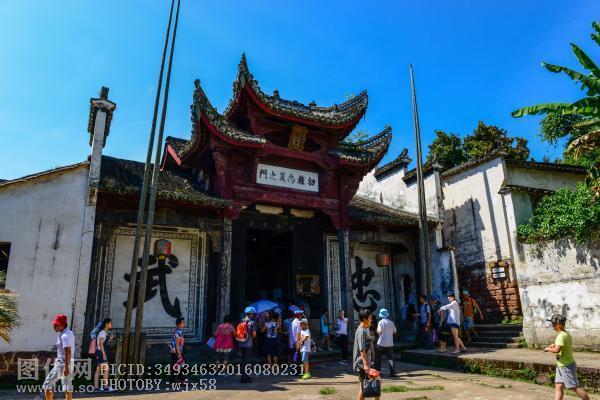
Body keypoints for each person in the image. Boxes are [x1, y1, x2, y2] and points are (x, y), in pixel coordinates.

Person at [544, 315, 590, 400]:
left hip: (566, 365)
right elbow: (562, 344)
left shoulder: (561, 336)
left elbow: (557, 350)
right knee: (558, 386)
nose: (552, 325)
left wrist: (548, 349)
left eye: (553, 324)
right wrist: (554, 344)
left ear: (558, 325)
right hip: (561, 364)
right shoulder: (565, 333)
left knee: (574, 387)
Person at [42, 314, 75, 400]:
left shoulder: (64, 336)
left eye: (56, 325)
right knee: (67, 387)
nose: (54, 327)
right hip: (68, 362)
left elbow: (68, 350)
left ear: (62, 325)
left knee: (47, 385)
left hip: (63, 363)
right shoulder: (69, 333)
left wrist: (66, 367)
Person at [353, 309, 379, 400]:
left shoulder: (366, 328)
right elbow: (362, 350)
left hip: (367, 362)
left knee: (374, 383)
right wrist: (365, 365)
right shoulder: (361, 331)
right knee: (363, 387)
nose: (371, 320)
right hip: (362, 364)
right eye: (370, 318)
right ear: (364, 319)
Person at [93, 318, 113, 392]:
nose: (111, 324)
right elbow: (101, 344)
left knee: (98, 370)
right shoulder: (102, 332)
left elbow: (104, 343)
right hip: (102, 353)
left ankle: (96, 387)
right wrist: (104, 355)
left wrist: (110, 339)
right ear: (106, 324)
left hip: (101, 352)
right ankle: (105, 387)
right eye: (110, 323)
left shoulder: (105, 332)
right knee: (106, 369)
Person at [375, 308, 396, 377]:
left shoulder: (380, 322)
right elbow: (394, 332)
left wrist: (378, 333)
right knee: (390, 358)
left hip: (381, 343)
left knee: (378, 358)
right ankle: (392, 373)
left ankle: (378, 373)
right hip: (389, 343)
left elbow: (379, 332)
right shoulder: (391, 322)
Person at [238, 306, 257, 383]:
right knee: (246, 361)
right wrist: (252, 337)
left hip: (241, 343)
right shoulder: (251, 323)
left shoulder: (241, 321)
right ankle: (244, 377)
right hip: (248, 344)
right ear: (251, 314)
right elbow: (254, 334)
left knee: (243, 360)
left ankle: (243, 376)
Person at [170, 317, 185, 382]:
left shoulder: (177, 331)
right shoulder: (178, 332)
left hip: (175, 351)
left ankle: (177, 380)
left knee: (177, 366)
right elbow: (177, 343)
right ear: (179, 324)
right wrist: (179, 353)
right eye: (182, 323)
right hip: (176, 351)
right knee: (180, 366)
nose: (184, 324)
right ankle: (179, 380)